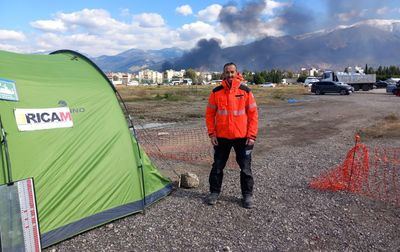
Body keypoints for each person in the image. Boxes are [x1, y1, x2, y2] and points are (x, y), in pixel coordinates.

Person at [205, 62, 258, 208]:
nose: (230, 75)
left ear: (236, 73)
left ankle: (247, 196)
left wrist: (252, 136)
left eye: (232, 72)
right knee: (217, 167)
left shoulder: (245, 91)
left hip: (242, 138)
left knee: (246, 168)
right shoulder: (216, 92)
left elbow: (253, 115)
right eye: (227, 72)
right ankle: (214, 193)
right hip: (222, 138)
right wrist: (212, 134)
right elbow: (209, 115)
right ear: (223, 74)